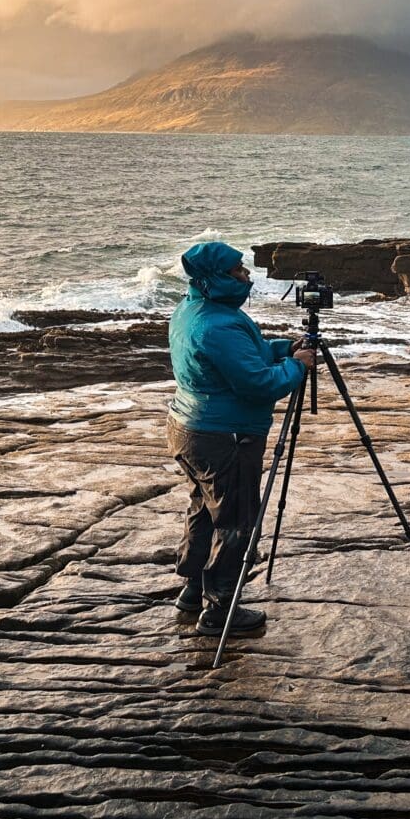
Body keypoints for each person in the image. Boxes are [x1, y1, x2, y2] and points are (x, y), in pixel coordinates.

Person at [166, 241, 313, 635]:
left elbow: (245, 355)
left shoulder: (192, 310)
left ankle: (193, 588)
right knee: (235, 520)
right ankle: (220, 610)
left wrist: (284, 349)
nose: (247, 277)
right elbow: (256, 384)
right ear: (216, 277)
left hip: (189, 428)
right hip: (224, 436)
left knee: (204, 508)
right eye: (238, 272)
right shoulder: (220, 324)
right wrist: (296, 369)